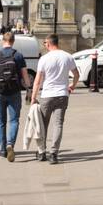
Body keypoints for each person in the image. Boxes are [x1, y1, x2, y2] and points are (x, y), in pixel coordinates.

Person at [0, 28, 32, 162]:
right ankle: (10, 143)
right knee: (14, 120)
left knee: (1, 121)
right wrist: (29, 89)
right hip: (15, 92)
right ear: (13, 41)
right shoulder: (18, 56)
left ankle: (3, 149)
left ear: (3, 41)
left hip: (0, 92)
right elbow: (25, 76)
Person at [30, 33, 78, 164]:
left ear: (49, 43)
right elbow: (76, 74)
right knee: (58, 124)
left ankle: (41, 152)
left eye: (45, 43)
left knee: (43, 124)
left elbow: (37, 81)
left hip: (47, 96)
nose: (44, 45)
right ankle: (54, 153)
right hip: (62, 94)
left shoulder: (44, 59)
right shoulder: (67, 57)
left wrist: (33, 97)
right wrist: (72, 86)